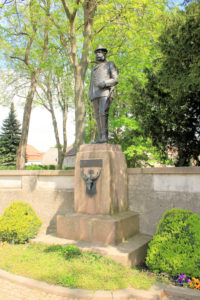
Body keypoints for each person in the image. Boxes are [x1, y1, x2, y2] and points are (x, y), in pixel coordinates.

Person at [89, 45, 118, 143]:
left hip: (105, 93)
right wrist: (90, 94)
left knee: (103, 113)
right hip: (94, 94)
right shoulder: (94, 68)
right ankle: (100, 137)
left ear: (104, 53)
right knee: (97, 116)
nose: (98, 54)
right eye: (96, 52)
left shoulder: (110, 64)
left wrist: (105, 83)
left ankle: (104, 137)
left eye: (100, 52)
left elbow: (115, 79)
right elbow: (91, 83)